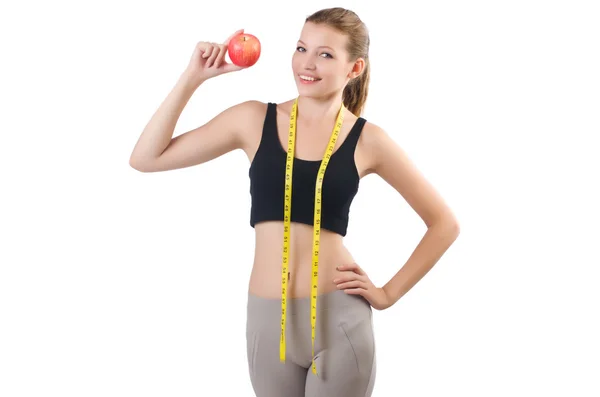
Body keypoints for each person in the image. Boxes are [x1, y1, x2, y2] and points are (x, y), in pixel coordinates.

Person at [129, 7, 460, 397]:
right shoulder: (252, 120)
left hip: (339, 317)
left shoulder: (369, 140)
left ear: (354, 68)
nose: (307, 63)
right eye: (301, 48)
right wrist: (193, 79)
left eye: (325, 54)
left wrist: (388, 294)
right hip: (268, 319)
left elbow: (444, 223)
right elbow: (146, 158)